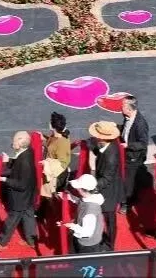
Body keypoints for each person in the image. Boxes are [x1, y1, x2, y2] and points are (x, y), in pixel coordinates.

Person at [0, 131, 37, 251]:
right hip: (28, 195)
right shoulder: (28, 152)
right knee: (28, 217)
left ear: (21, 143)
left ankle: (1, 242)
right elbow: (18, 169)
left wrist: (4, 179)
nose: (12, 143)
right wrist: (9, 161)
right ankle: (31, 240)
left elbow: (21, 184)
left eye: (14, 140)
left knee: (11, 221)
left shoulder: (24, 161)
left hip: (20, 198)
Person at [89, 121, 123, 251]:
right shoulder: (106, 146)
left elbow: (107, 178)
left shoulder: (111, 156)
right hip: (105, 188)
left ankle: (110, 245)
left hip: (109, 193)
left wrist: (92, 187)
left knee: (110, 220)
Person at [121, 95, 150, 211]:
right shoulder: (127, 116)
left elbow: (143, 143)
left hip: (134, 157)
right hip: (127, 153)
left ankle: (128, 203)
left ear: (129, 109)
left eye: (123, 106)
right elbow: (126, 130)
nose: (121, 107)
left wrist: (128, 145)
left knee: (130, 182)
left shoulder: (140, 124)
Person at [63, 173, 104, 254]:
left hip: (87, 245)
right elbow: (80, 202)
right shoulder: (90, 198)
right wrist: (69, 196)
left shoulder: (90, 211)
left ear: (82, 190)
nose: (77, 189)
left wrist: (71, 226)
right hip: (88, 240)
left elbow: (86, 233)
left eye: (78, 188)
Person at [42, 111, 71, 198]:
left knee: (48, 196)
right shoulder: (55, 136)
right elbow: (52, 144)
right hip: (51, 171)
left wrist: (46, 164)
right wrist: (44, 137)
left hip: (55, 176)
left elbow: (63, 163)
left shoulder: (62, 142)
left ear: (53, 126)